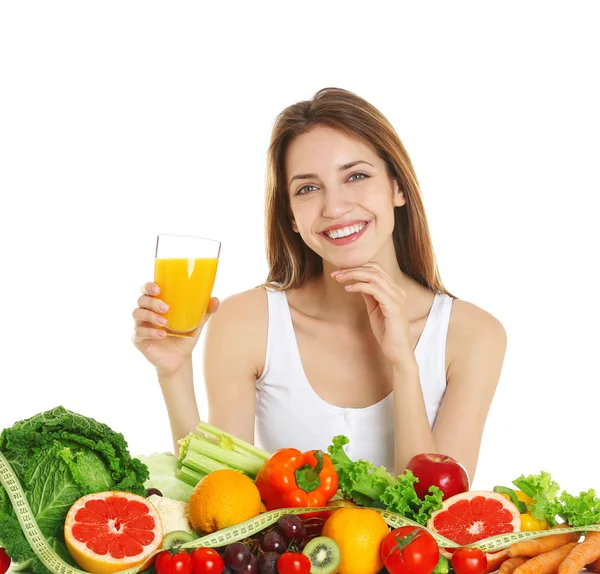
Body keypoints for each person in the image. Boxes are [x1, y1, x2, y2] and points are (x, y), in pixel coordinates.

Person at [132, 87, 506, 481]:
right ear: (292, 216)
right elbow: (222, 507)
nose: (334, 207)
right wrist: (173, 374)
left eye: (356, 176)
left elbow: (437, 517)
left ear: (398, 187)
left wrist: (404, 365)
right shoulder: (246, 322)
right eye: (307, 188)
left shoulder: (474, 335)